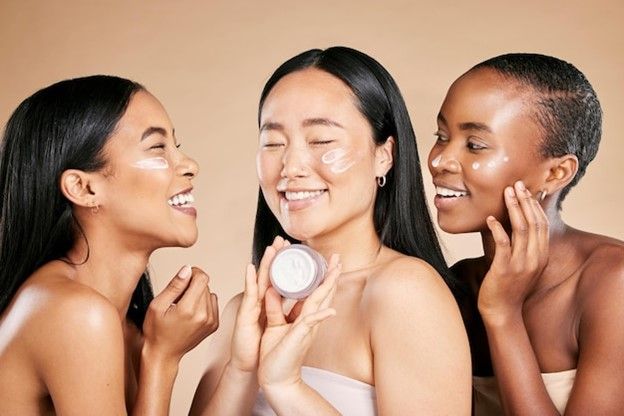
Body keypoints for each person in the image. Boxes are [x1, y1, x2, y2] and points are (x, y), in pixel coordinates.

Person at [191, 46, 471, 415]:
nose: (290, 166)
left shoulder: (405, 292)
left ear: (384, 154)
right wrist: (242, 370)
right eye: (273, 143)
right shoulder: (245, 312)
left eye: (321, 140)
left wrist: (286, 387)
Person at [0, 75, 219, 415]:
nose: (190, 165)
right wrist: (161, 360)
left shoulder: (126, 324)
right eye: (157, 148)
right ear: (84, 188)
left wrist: (243, 365)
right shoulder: (75, 314)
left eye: (175, 146)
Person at [427, 53, 624, 415]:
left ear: (555, 174)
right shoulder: (458, 285)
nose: (439, 161)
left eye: (474, 145)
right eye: (442, 136)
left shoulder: (613, 284)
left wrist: (502, 314)